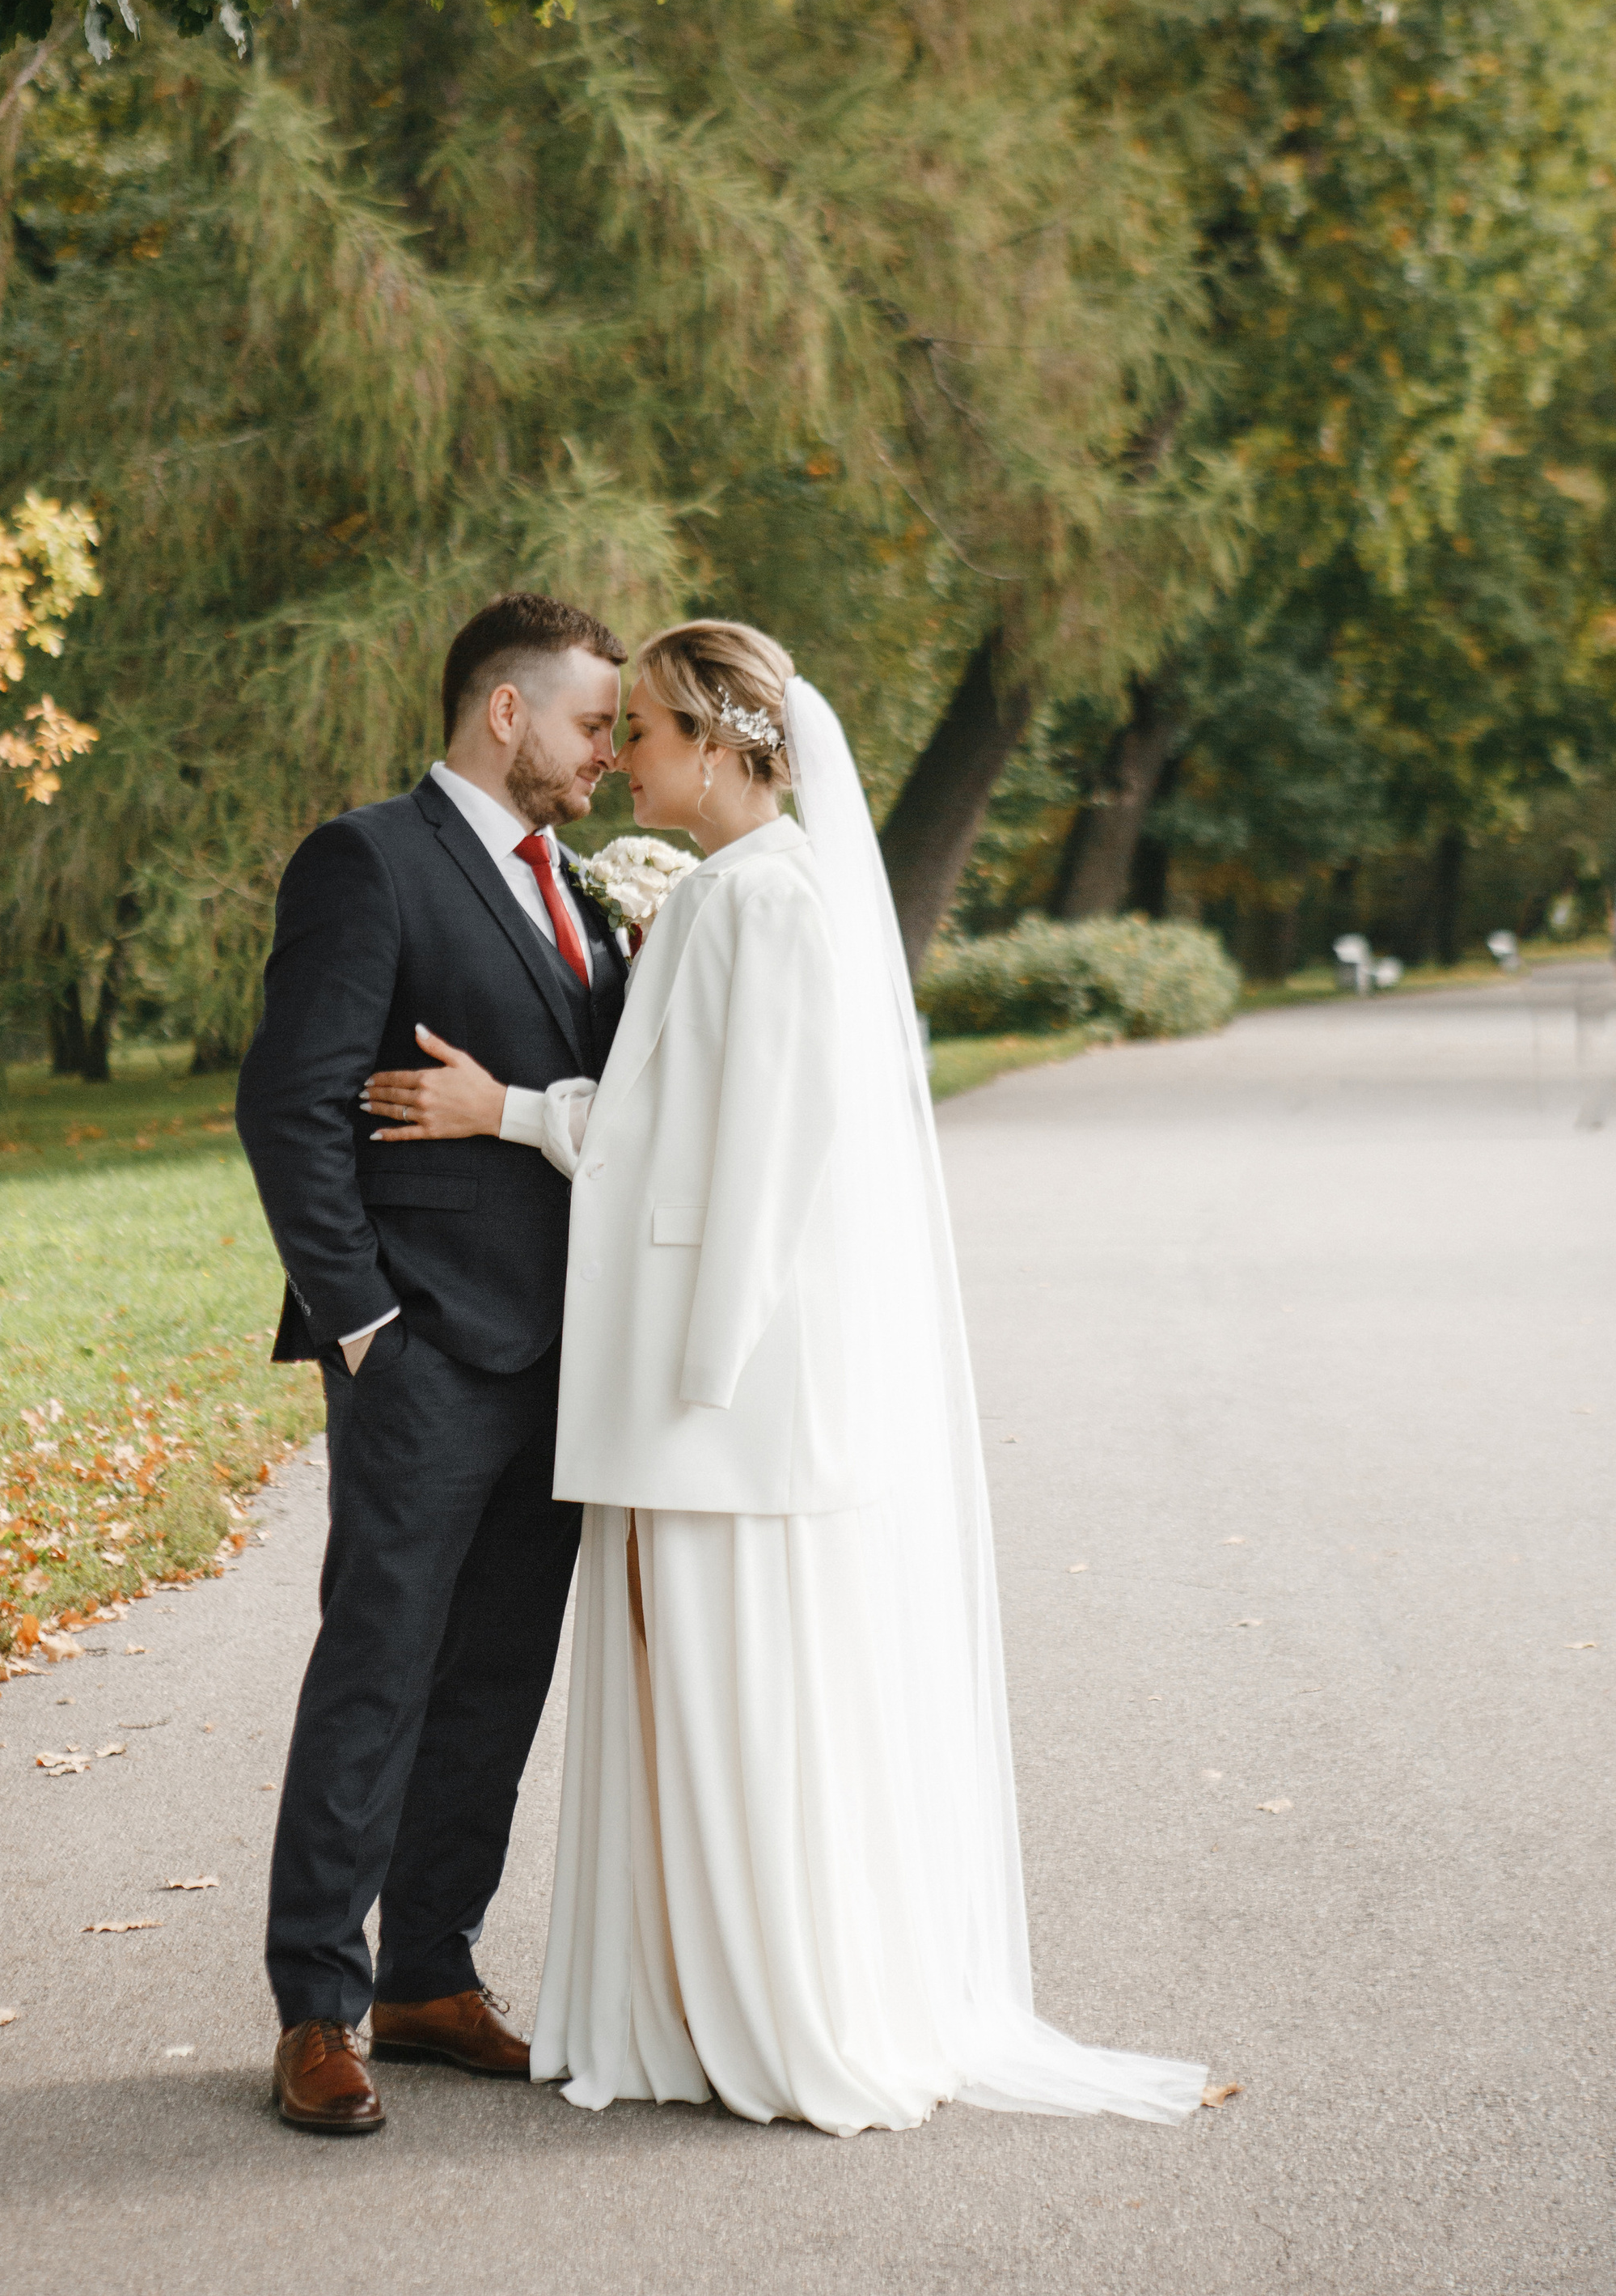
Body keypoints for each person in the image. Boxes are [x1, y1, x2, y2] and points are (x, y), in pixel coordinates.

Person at [363, 618, 1208, 2135]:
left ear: (726, 744)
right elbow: (667, 1114)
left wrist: (689, 1351)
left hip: (718, 1390)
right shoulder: (742, 893)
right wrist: (529, 1116)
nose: (621, 753)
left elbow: (739, 1156)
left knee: (733, 1687)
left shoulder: (765, 906)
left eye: (649, 731)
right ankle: (691, 2000)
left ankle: (759, 2006)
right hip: (697, 1384)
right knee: (693, 1685)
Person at [236, 591, 629, 2135]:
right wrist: (362, 1323)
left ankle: (430, 1971)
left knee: (498, 1675)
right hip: (420, 1349)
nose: (612, 751)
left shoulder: (584, 890)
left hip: (565, 1359)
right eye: (596, 722)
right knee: (379, 1668)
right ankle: (319, 2004)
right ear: (507, 713)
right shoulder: (368, 860)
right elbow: (292, 1102)